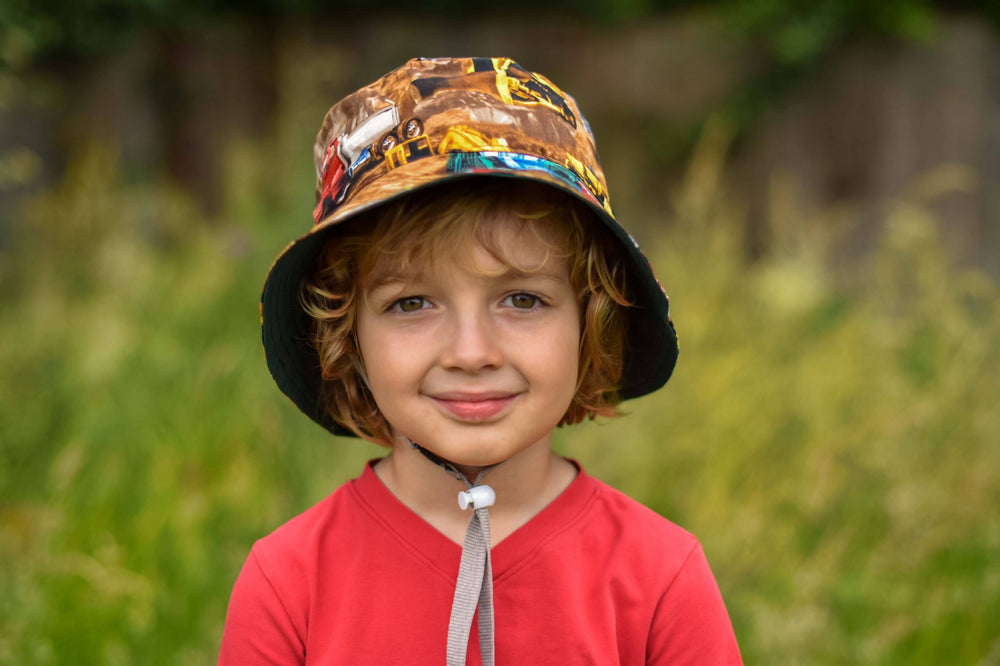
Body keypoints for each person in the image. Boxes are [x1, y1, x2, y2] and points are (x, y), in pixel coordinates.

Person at [219, 56, 742, 665]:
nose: (472, 353)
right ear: (347, 334)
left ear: (590, 324)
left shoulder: (660, 578)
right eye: (411, 303)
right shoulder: (288, 583)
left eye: (524, 300)